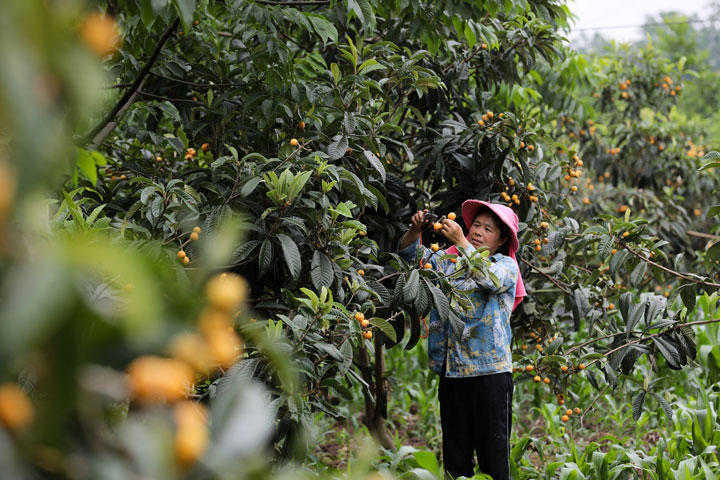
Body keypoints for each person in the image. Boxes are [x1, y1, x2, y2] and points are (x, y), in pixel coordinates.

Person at [398, 199, 526, 480]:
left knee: (494, 460)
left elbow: (489, 279)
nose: (478, 231)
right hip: (452, 373)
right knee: (456, 461)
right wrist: (415, 228)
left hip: (489, 375)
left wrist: (461, 242)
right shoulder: (447, 262)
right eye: (476, 225)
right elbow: (411, 257)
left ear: (502, 240)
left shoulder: (504, 266)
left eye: (488, 229)